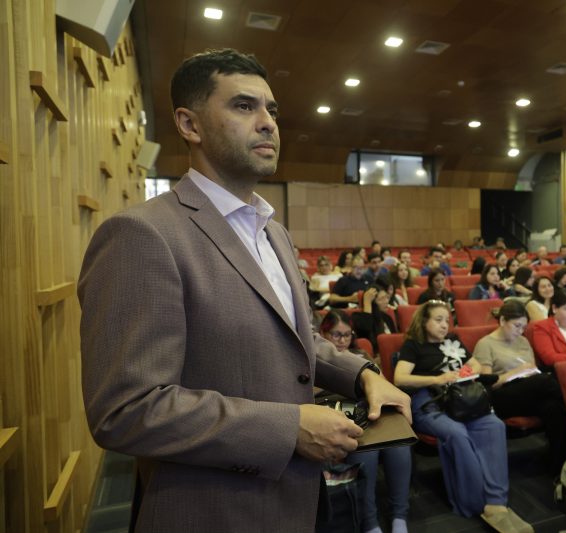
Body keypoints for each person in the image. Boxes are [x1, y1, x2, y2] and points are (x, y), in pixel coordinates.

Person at [78, 48, 410, 533]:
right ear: (189, 124)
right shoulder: (143, 235)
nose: (268, 122)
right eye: (243, 106)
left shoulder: (273, 232)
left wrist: (362, 375)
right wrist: (288, 428)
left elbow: (297, 341)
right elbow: (126, 410)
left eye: (271, 109)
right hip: (215, 510)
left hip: (297, 499)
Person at [393, 301, 533, 532]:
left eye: (446, 320)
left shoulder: (453, 340)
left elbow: (475, 364)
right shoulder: (413, 345)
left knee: (494, 425)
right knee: (457, 433)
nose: (444, 325)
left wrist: (465, 371)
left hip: (461, 401)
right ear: (424, 321)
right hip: (430, 403)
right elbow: (400, 378)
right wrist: (437, 379)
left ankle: (496, 502)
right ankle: (474, 503)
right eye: (438, 320)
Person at [320, 311, 412, 533]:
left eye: (347, 335)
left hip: (369, 410)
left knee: (399, 446)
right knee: (366, 451)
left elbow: (382, 385)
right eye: (336, 335)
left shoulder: (360, 354)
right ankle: (370, 522)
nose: (342, 340)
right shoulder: (316, 360)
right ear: (323, 333)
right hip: (335, 413)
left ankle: (399, 515)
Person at [474, 300, 566, 472]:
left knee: (554, 407)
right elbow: (487, 385)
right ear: (502, 320)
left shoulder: (523, 341)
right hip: (500, 396)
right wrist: (516, 372)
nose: (520, 331)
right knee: (546, 382)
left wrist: (527, 372)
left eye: (523, 327)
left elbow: (532, 370)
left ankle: (558, 465)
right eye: (516, 326)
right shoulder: (486, 344)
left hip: (528, 391)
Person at [353, 279, 398, 353]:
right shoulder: (358, 317)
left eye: (386, 297)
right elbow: (365, 331)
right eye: (381, 299)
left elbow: (395, 339)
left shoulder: (387, 318)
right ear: (372, 303)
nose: (386, 301)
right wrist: (367, 302)